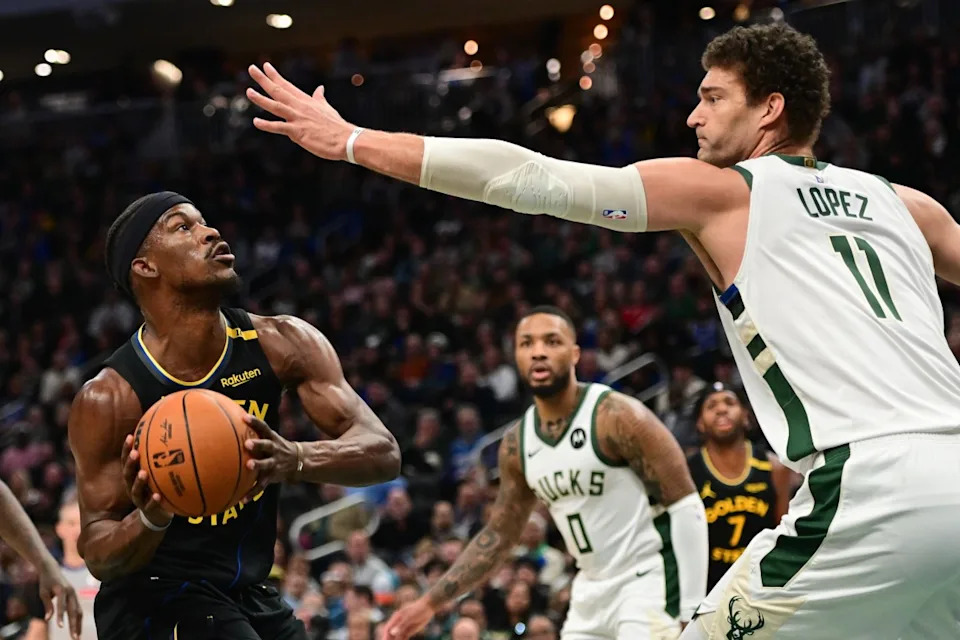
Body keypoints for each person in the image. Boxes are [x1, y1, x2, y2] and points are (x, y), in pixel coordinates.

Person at [248, 21, 960, 639]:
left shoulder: (726, 193)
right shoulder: (911, 206)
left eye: (712, 98)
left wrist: (352, 141)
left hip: (869, 485)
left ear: (770, 109)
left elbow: (528, 177)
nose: (693, 117)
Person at [68, 192, 401, 639]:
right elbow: (97, 551)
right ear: (145, 267)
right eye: (183, 227)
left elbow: (384, 453)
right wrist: (150, 518)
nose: (211, 232)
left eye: (205, 222)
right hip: (152, 598)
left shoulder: (283, 342)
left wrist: (295, 458)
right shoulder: (110, 398)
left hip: (249, 590)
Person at [381, 307, 708, 639]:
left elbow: (686, 505)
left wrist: (692, 609)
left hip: (648, 579)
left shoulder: (616, 415)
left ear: (575, 354)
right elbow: (498, 537)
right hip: (590, 588)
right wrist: (430, 603)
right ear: (518, 356)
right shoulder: (517, 444)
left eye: (552, 341)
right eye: (527, 343)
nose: (538, 351)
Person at [686, 383, 796, 590]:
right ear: (700, 423)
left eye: (730, 402)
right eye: (711, 406)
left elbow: (783, 533)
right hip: (708, 587)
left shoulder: (774, 467)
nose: (721, 409)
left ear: (746, 415)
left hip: (759, 583)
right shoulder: (687, 472)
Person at [0, 480, 82, 639]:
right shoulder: (46, 578)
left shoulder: (110, 574)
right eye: (72, 524)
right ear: (59, 528)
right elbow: (38, 628)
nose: (77, 531)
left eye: (81, 524)